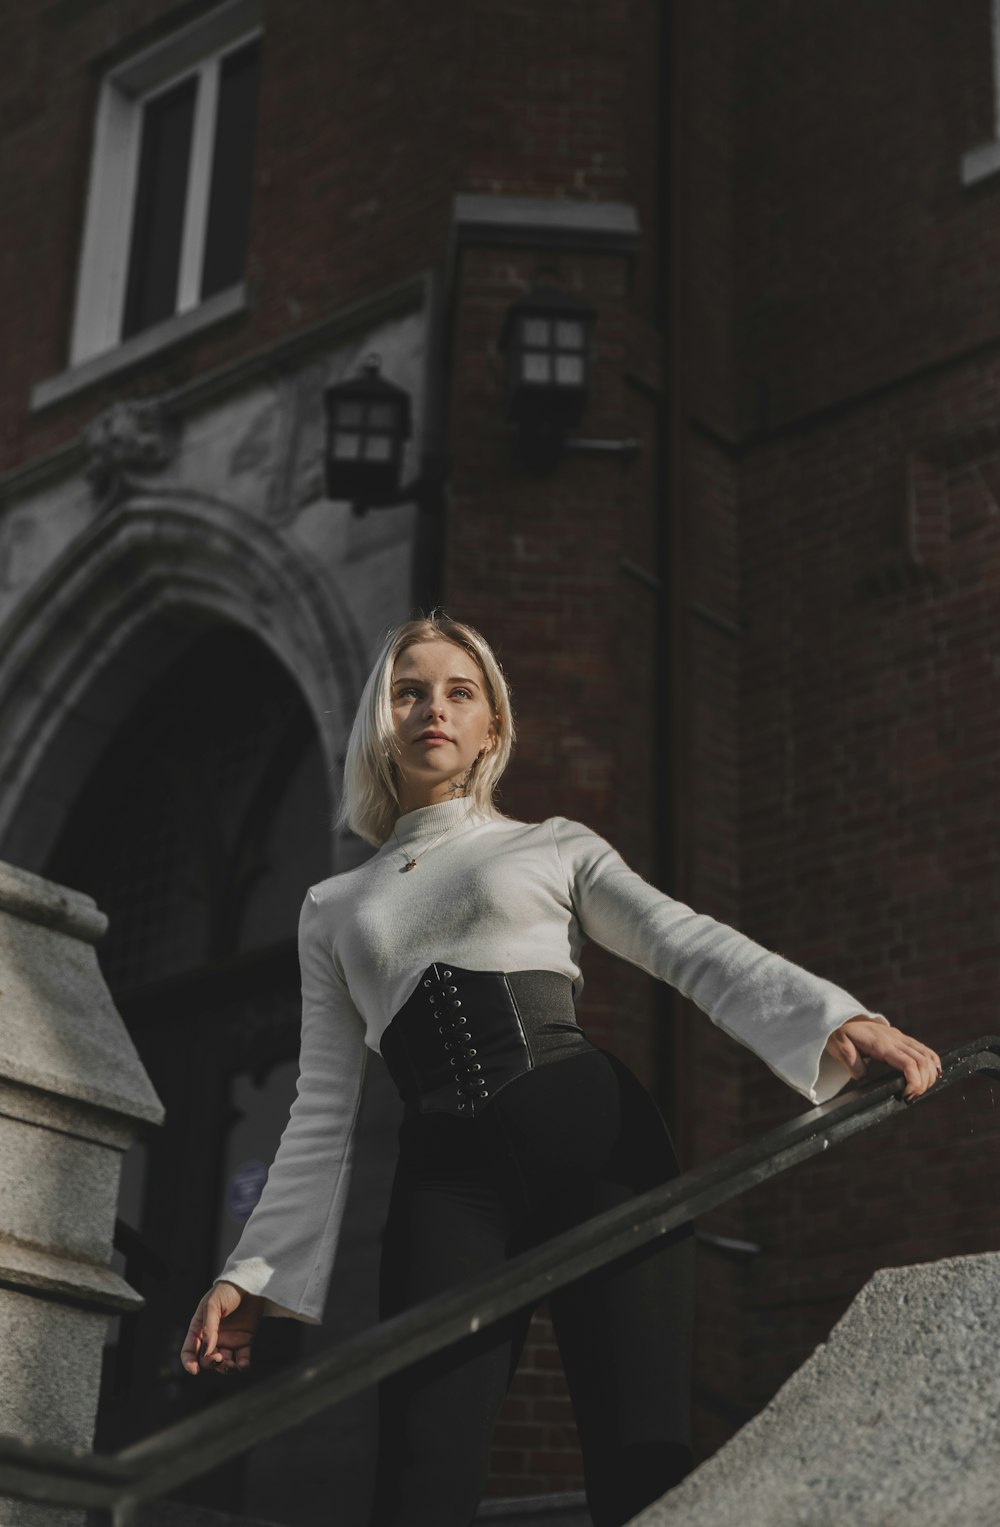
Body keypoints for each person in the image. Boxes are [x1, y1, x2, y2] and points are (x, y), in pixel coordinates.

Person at [180, 613, 942, 1527]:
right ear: (379, 721)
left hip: (597, 1143)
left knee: (641, 1452)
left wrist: (834, 1016)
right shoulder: (331, 908)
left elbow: (682, 941)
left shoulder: (550, 843)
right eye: (409, 689)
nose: (434, 708)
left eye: (461, 691)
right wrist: (252, 1271)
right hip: (445, 1186)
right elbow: (320, 1108)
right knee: (421, 1469)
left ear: (492, 725)